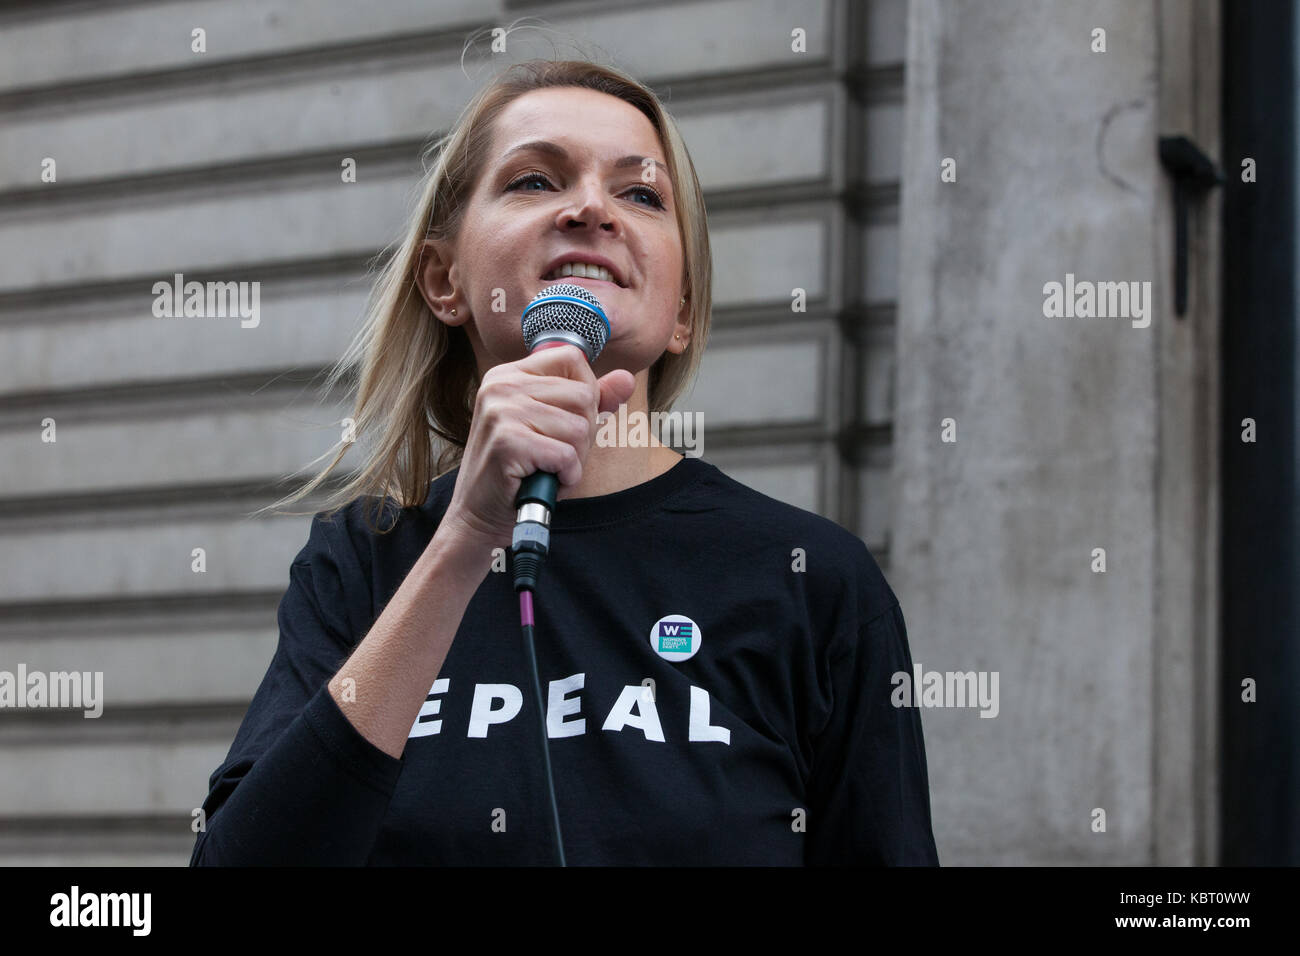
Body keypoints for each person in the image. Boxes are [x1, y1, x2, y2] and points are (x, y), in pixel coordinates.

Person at [189, 58, 939, 866]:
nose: (590, 209)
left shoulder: (810, 579)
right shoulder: (362, 560)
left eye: (642, 194)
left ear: (681, 309)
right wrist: (466, 539)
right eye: (535, 181)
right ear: (445, 280)